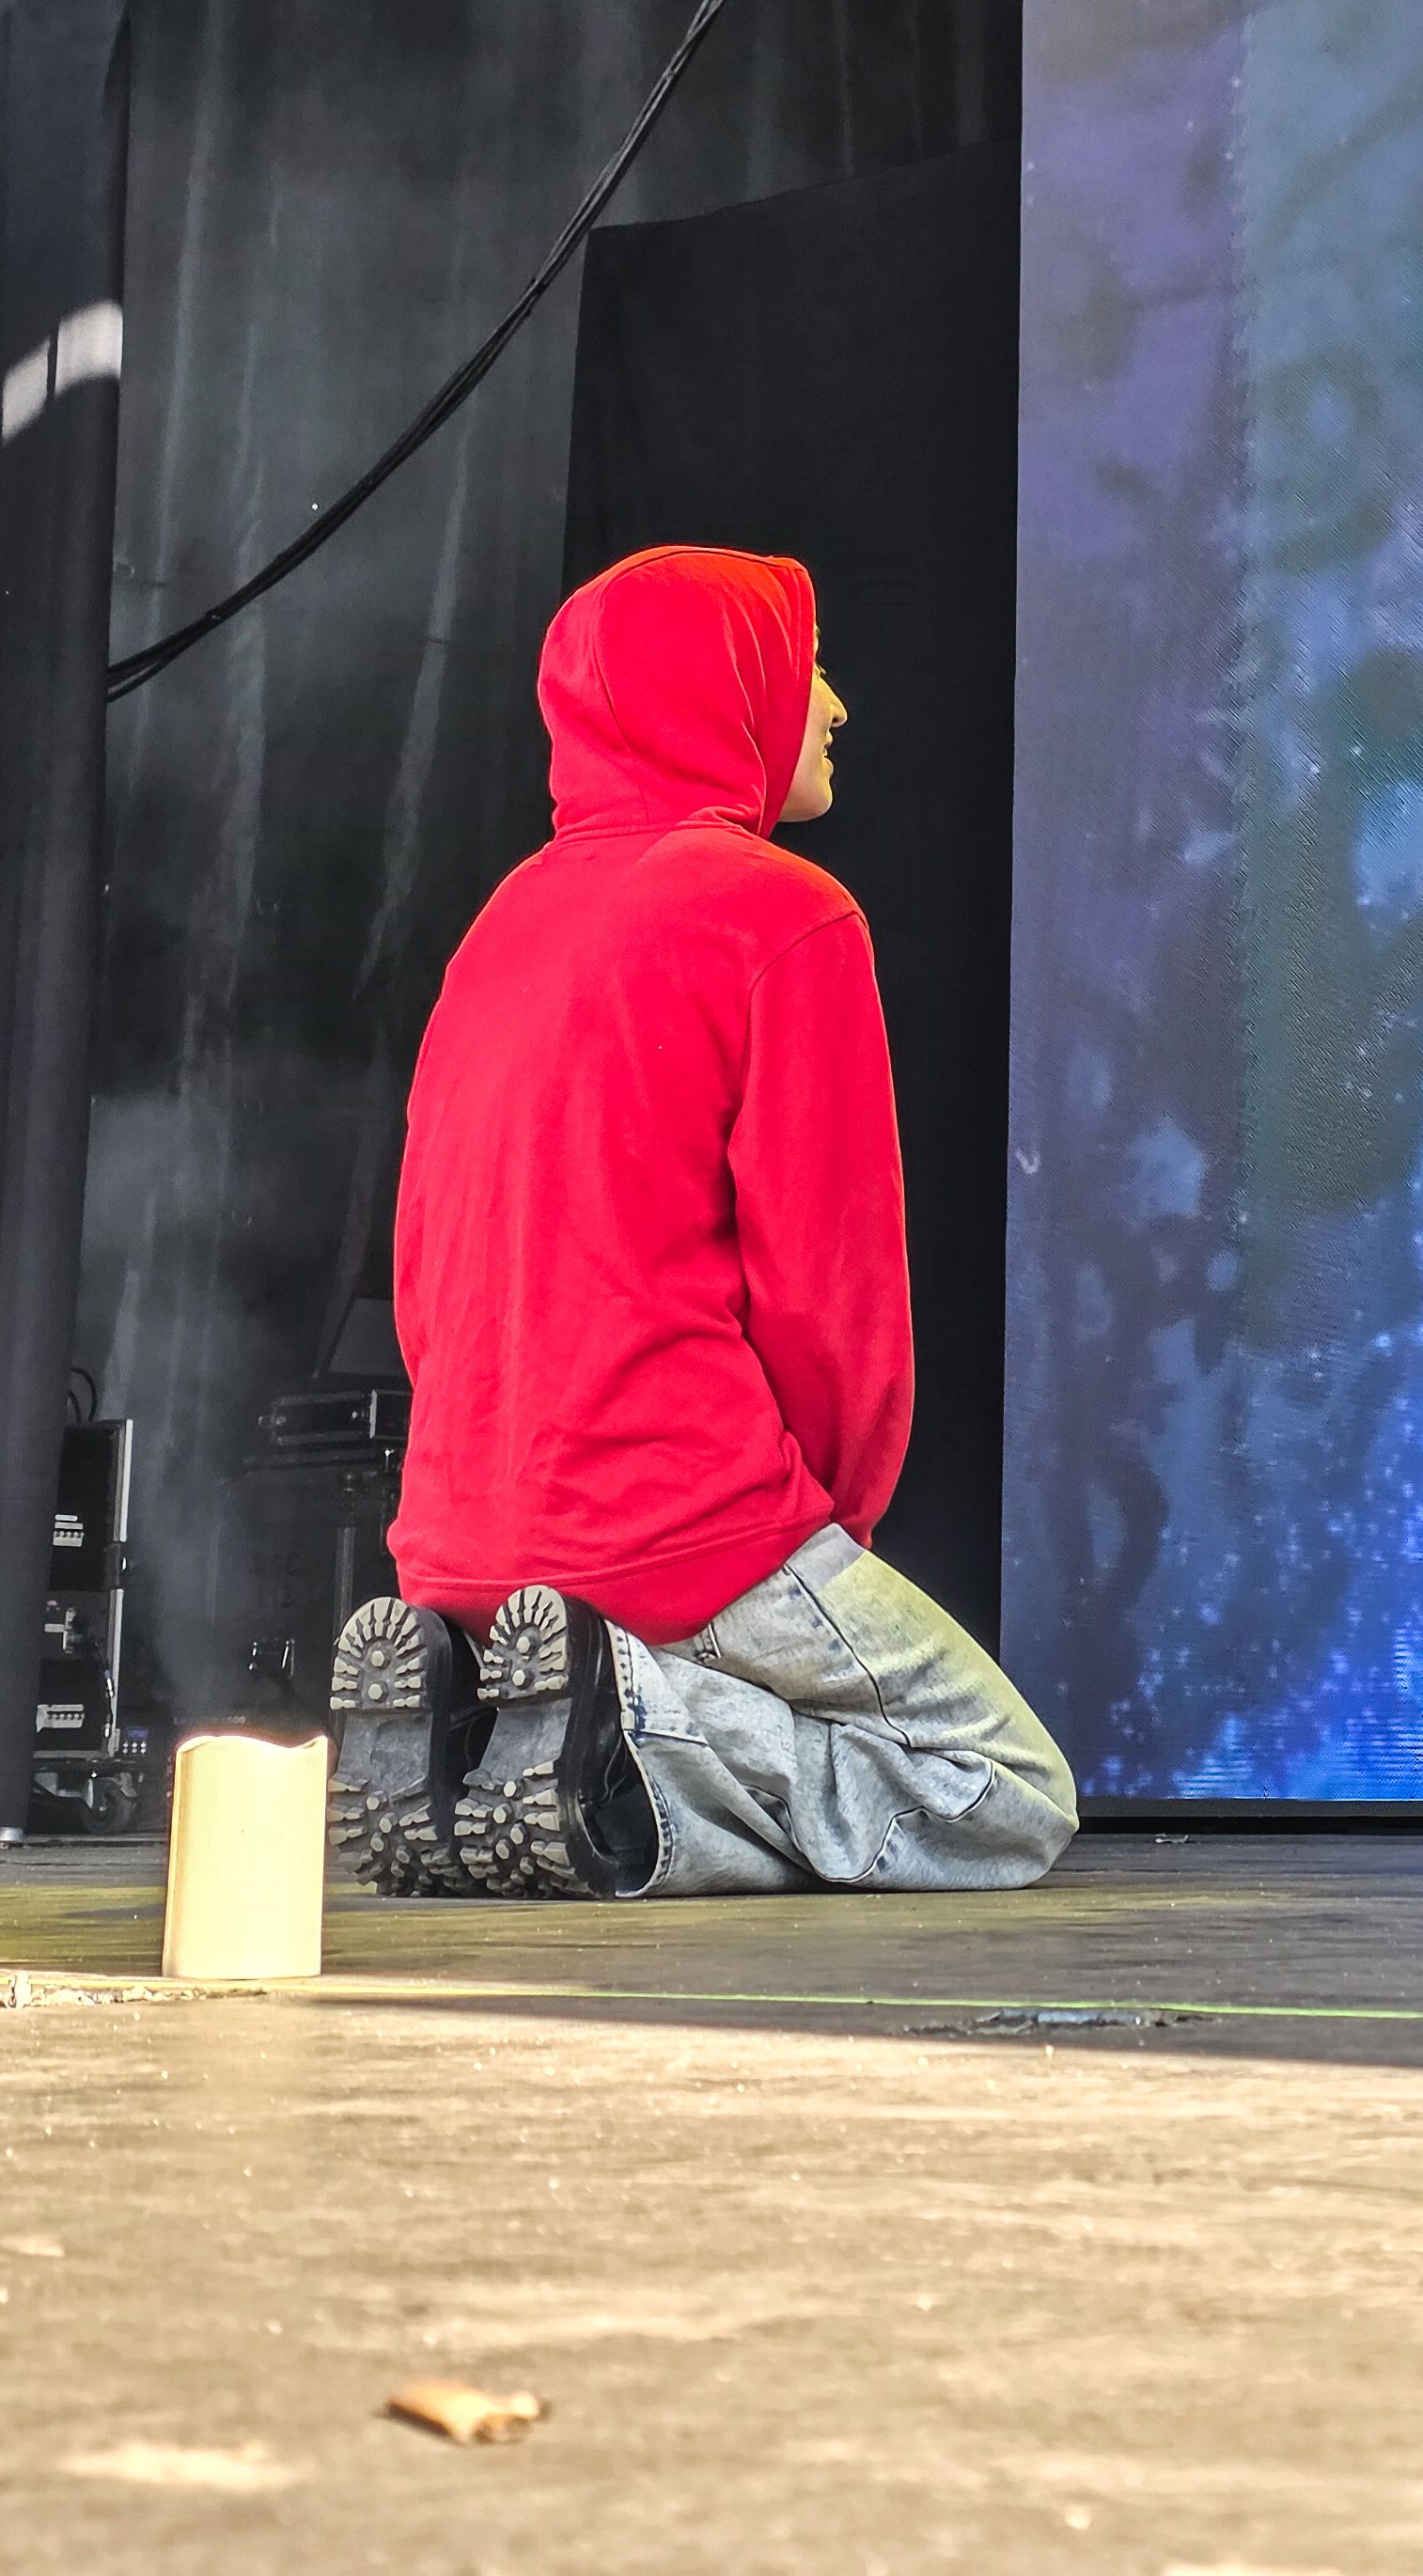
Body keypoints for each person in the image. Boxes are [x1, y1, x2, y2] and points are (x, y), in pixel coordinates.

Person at [329, 543, 1077, 1900]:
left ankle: (490, 1736)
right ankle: (637, 1741)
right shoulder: (783, 913)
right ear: (718, 696)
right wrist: (820, 1530)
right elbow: (831, 1298)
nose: (837, 704)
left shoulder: (498, 926)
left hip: (456, 1539)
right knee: (1004, 1794)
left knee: (860, 1743)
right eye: (805, 669)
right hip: (680, 1517)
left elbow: (426, 1274)